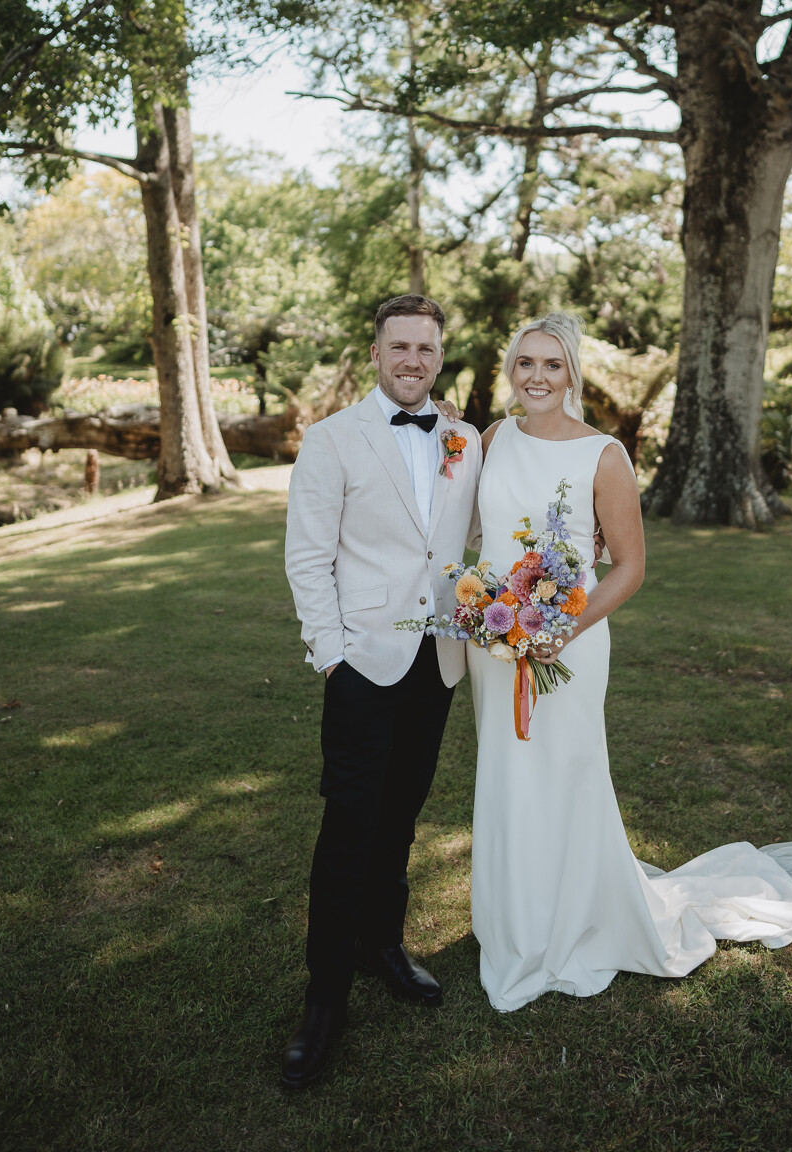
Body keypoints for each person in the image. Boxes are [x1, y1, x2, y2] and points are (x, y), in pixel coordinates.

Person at [468, 311, 792, 1012]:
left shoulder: (603, 454)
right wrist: (490, 602)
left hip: (568, 642)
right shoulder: (492, 439)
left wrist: (561, 629)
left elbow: (629, 567)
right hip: (494, 640)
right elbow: (477, 533)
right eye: (525, 363)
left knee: (565, 772)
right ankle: (511, 919)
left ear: (572, 374)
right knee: (505, 770)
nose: (537, 377)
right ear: (510, 370)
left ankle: (571, 920)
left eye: (552, 364)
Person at [280, 294, 482, 1088]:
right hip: (363, 662)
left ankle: (382, 943)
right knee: (349, 828)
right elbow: (308, 558)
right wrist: (333, 656)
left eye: (426, 349)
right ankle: (324, 1000)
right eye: (400, 347)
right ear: (376, 353)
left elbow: (470, 536)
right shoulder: (331, 439)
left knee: (401, 816)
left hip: (438, 660)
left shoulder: (464, 438)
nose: (412, 361)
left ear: (440, 357)